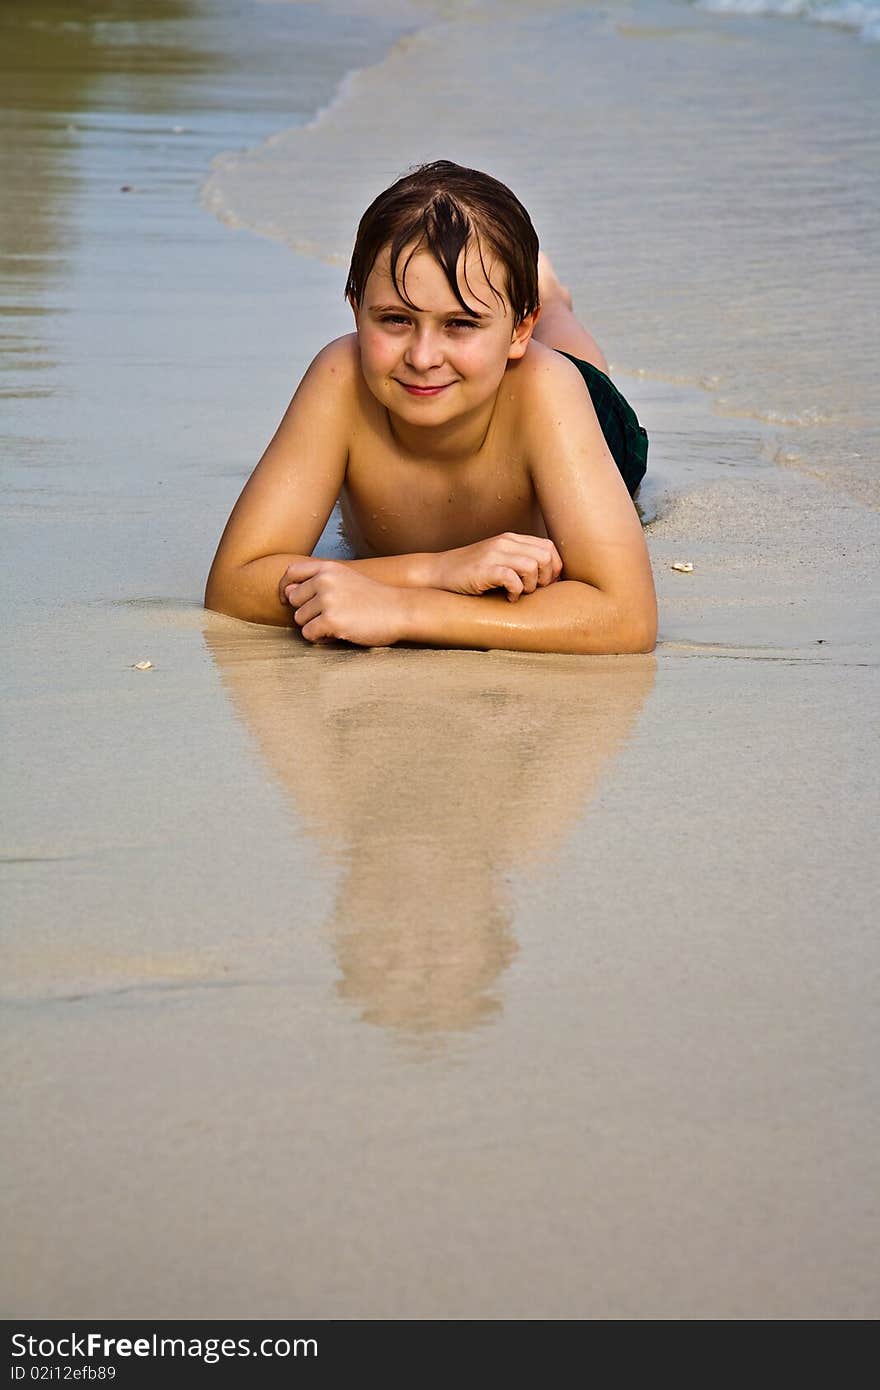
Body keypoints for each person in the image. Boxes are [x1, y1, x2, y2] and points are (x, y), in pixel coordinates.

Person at [204, 159, 656, 654]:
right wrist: (437, 570)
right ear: (355, 308)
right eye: (395, 319)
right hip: (500, 372)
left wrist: (404, 609)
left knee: (572, 361)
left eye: (460, 324)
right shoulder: (340, 378)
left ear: (518, 329)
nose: (422, 357)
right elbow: (233, 585)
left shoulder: (547, 391)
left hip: (566, 408)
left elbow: (626, 618)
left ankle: (553, 302)